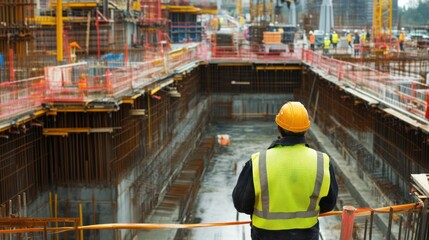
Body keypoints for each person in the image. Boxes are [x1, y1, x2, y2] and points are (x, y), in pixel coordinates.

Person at [232, 101, 338, 240]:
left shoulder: (259, 162)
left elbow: (241, 203)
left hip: (265, 235)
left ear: (278, 127)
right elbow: (329, 203)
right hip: (306, 235)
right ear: (306, 129)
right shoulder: (322, 162)